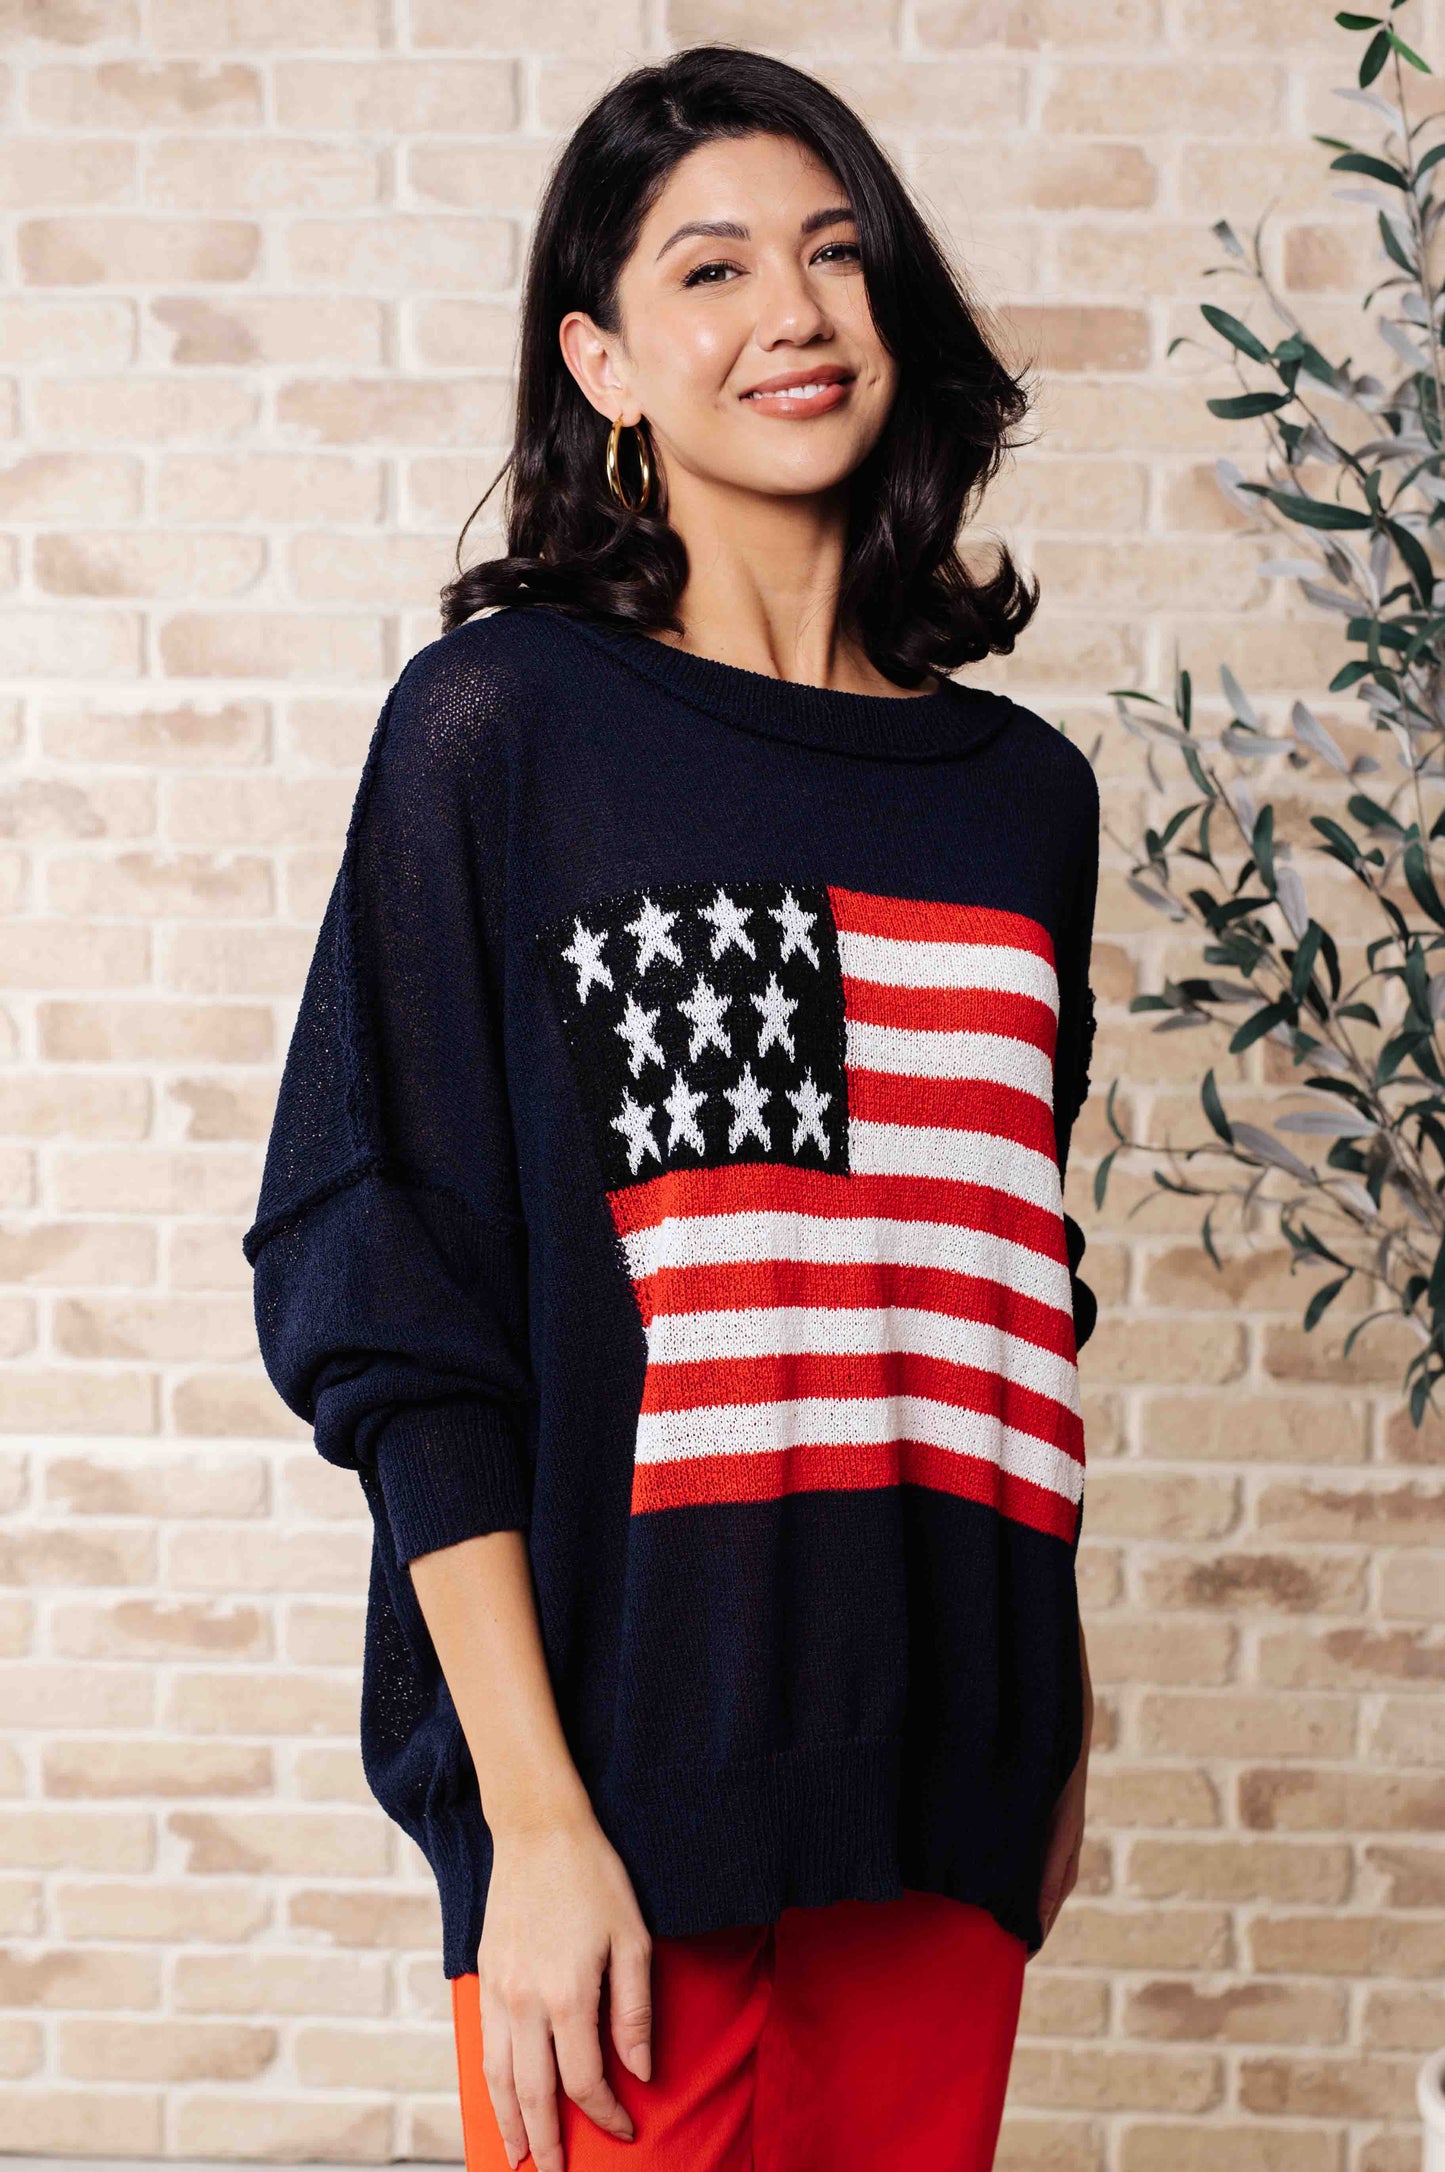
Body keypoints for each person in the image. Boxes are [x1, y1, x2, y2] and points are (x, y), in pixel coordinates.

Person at [243, 43, 1100, 2172]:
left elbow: (1005, 1288)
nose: (791, 312)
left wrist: (1058, 1701)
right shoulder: (506, 728)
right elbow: (392, 1284)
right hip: (622, 1802)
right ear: (602, 362)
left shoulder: (1024, 800)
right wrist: (530, 1823)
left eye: (835, 253)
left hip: (952, 1789)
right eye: (710, 270)